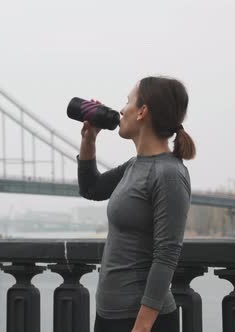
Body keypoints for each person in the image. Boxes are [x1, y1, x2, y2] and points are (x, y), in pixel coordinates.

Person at [77, 76, 195, 332]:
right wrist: (89, 141)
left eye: (128, 101)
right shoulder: (134, 166)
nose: (121, 109)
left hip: (141, 321)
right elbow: (91, 188)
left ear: (142, 111)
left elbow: (167, 255)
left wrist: (141, 327)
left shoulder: (169, 174)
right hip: (109, 315)